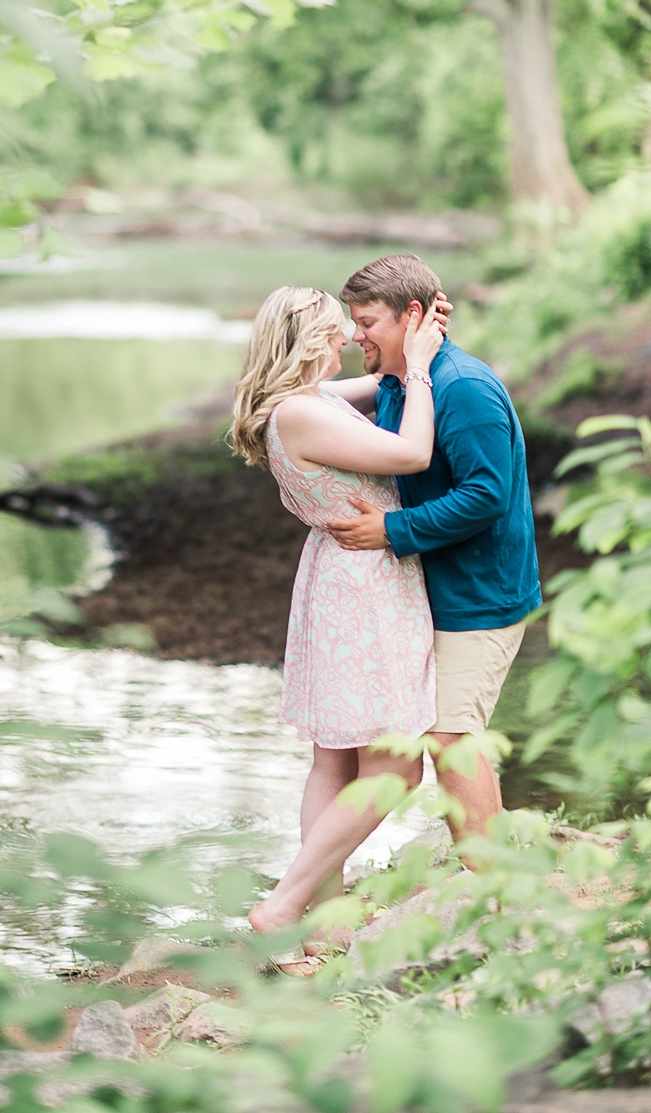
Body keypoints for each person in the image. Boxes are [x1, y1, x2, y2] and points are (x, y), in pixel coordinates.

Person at [229, 285, 445, 974]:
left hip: (337, 576)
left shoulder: (302, 401)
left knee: (334, 758)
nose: (346, 340)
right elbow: (411, 453)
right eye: (334, 331)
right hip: (364, 587)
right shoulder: (301, 414)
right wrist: (418, 374)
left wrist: (416, 341)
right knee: (397, 765)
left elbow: (371, 380)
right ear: (304, 341)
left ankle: (324, 929)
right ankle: (285, 904)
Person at [327, 253, 542, 849]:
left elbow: (487, 495)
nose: (354, 334)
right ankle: (490, 878)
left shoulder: (463, 388)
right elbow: (311, 401)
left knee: (450, 740)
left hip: (482, 596)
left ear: (412, 316)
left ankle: (495, 888)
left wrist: (393, 532)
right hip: (436, 589)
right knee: (446, 737)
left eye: (367, 321)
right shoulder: (399, 381)